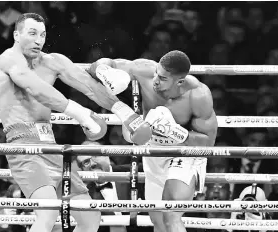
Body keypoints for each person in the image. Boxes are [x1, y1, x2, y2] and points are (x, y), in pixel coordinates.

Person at [0, 13, 152, 232]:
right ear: (16, 35)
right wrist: (81, 113)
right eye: (32, 33)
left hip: (51, 146)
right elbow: (35, 88)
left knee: (90, 218)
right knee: (47, 212)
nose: (38, 40)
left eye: (42, 34)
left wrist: (125, 113)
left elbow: (89, 86)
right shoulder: (9, 59)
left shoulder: (53, 62)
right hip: (24, 145)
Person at [88, 50, 218, 232]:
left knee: (171, 214)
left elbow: (208, 143)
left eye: (163, 78)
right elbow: (97, 65)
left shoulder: (198, 95)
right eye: (157, 72)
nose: (156, 80)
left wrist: (178, 133)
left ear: (179, 81)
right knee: (157, 221)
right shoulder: (144, 70)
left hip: (184, 152)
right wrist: (105, 71)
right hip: (153, 151)